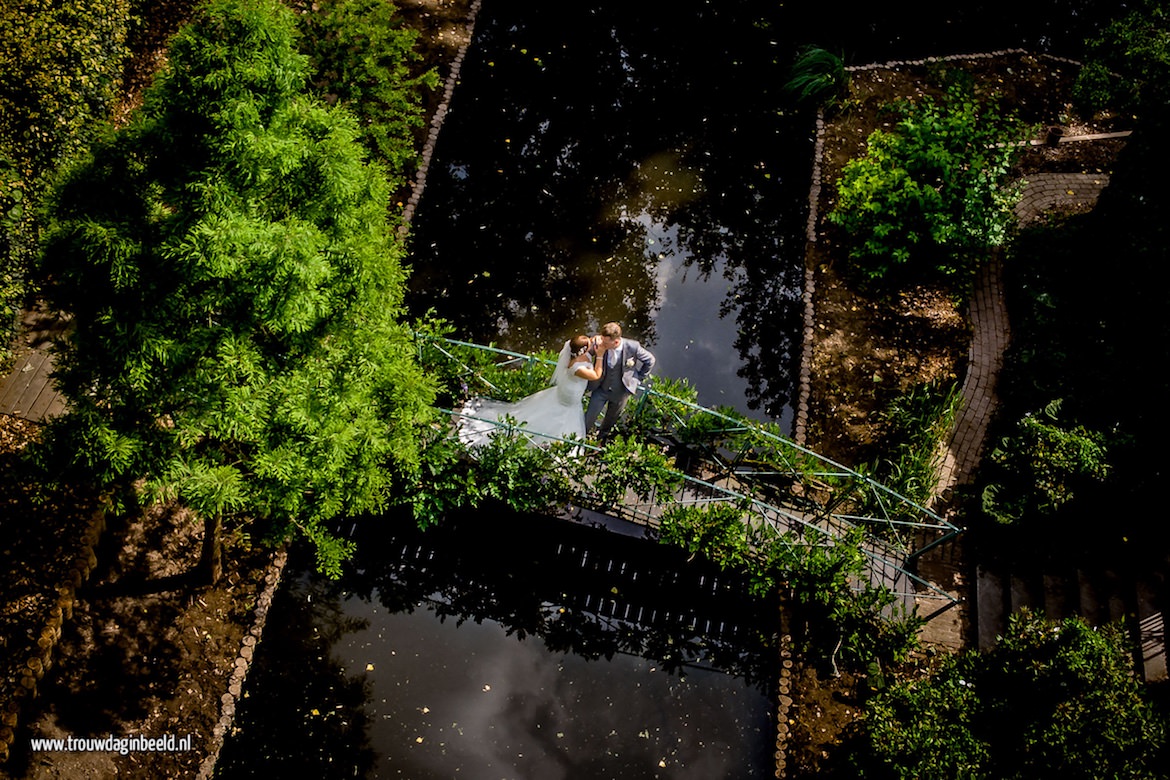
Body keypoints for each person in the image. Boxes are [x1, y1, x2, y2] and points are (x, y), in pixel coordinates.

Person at [455, 334, 607, 449]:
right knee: (562, 417)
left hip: (567, 391)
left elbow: (589, 342)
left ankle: (557, 442)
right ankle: (553, 443)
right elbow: (596, 375)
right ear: (583, 350)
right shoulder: (577, 367)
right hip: (570, 396)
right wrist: (600, 355)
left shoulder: (579, 354)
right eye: (589, 344)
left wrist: (597, 341)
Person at [584, 321, 655, 439]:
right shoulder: (600, 343)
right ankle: (580, 439)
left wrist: (638, 379)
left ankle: (600, 441)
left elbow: (650, 361)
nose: (602, 344)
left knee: (610, 421)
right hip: (601, 389)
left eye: (606, 342)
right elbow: (586, 353)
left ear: (616, 342)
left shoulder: (633, 347)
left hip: (621, 392)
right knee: (588, 418)